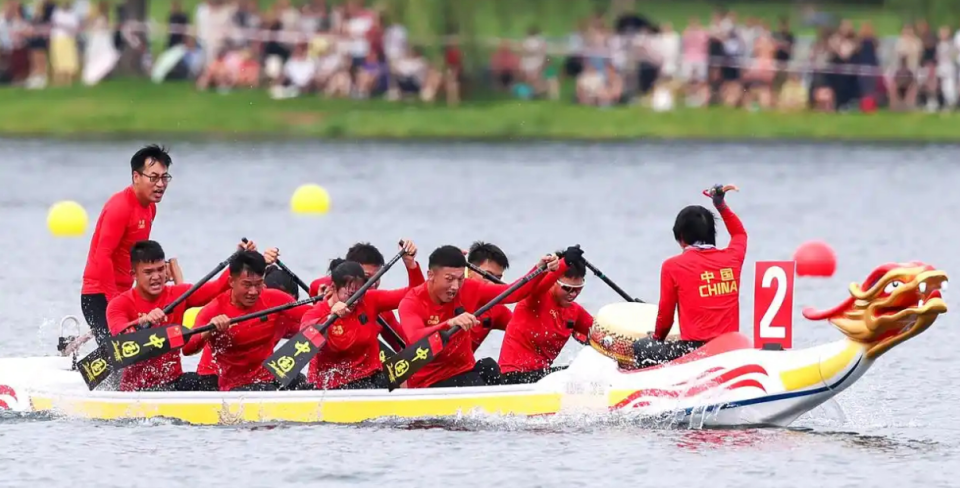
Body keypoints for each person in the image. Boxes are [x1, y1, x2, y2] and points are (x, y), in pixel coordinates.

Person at [398, 245, 560, 388]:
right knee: (475, 383)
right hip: (428, 382)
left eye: (460, 279)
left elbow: (513, 293)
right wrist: (449, 323)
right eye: (449, 279)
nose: (455, 287)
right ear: (431, 275)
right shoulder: (411, 302)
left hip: (464, 371)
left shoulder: (469, 288)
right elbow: (415, 337)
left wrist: (539, 270)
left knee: (489, 367)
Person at [104, 239, 255, 392]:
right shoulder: (119, 304)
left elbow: (217, 288)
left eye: (160, 269)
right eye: (148, 272)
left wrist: (240, 259)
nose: (156, 276)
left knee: (212, 382)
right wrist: (142, 321)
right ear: (134, 274)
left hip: (173, 381)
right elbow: (118, 333)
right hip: (137, 389)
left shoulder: (178, 295)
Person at [633, 184, 747, 367]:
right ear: (712, 234)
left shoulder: (672, 266)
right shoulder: (733, 257)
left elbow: (665, 317)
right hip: (730, 348)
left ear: (681, 237)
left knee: (641, 347)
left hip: (696, 351)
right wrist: (721, 205)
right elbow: (739, 234)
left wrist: (656, 339)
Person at [182, 250, 313, 391]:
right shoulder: (214, 309)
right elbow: (187, 349)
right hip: (225, 385)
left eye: (258, 284)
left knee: (299, 381)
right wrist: (209, 330)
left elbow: (313, 316)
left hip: (263, 380)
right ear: (231, 281)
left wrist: (333, 305)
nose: (253, 292)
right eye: (247, 285)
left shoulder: (276, 299)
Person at [81, 145, 172, 346]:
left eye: (165, 178)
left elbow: (137, 256)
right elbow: (102, 256)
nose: (160, 184)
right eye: (153, 177)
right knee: (121, 349)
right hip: (98, 294)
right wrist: (115, 303)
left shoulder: (150, 208)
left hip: (126, 292)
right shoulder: (120, 207)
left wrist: (160, 271)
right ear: (136, 177)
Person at [301, 260, 414, 390]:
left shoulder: (369, 300)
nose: (355, 300)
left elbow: (414, 293)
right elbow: (306, 336)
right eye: (349, 294)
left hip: (371, 376)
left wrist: (411, 265)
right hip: (333, 385)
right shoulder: (317, 312)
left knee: (402, 375)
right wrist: (330, 318)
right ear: (333, 288)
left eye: (358, 294)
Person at [498, 248, 593, 384]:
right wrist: (563, 263)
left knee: (588, 372)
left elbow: (599, 331)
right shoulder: (535, 297)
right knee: (576, 376)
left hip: (540, 377)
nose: (573, 294)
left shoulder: (575, 311)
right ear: (554, 281)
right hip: (513, 376)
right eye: (567, 288)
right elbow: (541, 283)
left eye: (578, 289)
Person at [309, 240, 422, 350]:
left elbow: (416, 294)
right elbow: (316, 285)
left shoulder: (377, 302)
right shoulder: (327, 294)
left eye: (377, 277)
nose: (373, 282)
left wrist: (410, 264)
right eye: (367, 277)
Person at [463, 242, 513, 352]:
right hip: (429, 365)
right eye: (487, 275)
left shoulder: (497, 309)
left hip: (463, 367)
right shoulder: (450, 294)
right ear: (469, 272)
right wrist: (414, 265)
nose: (492, 284)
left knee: (489, 366)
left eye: (497, 278)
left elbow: (525, 330)